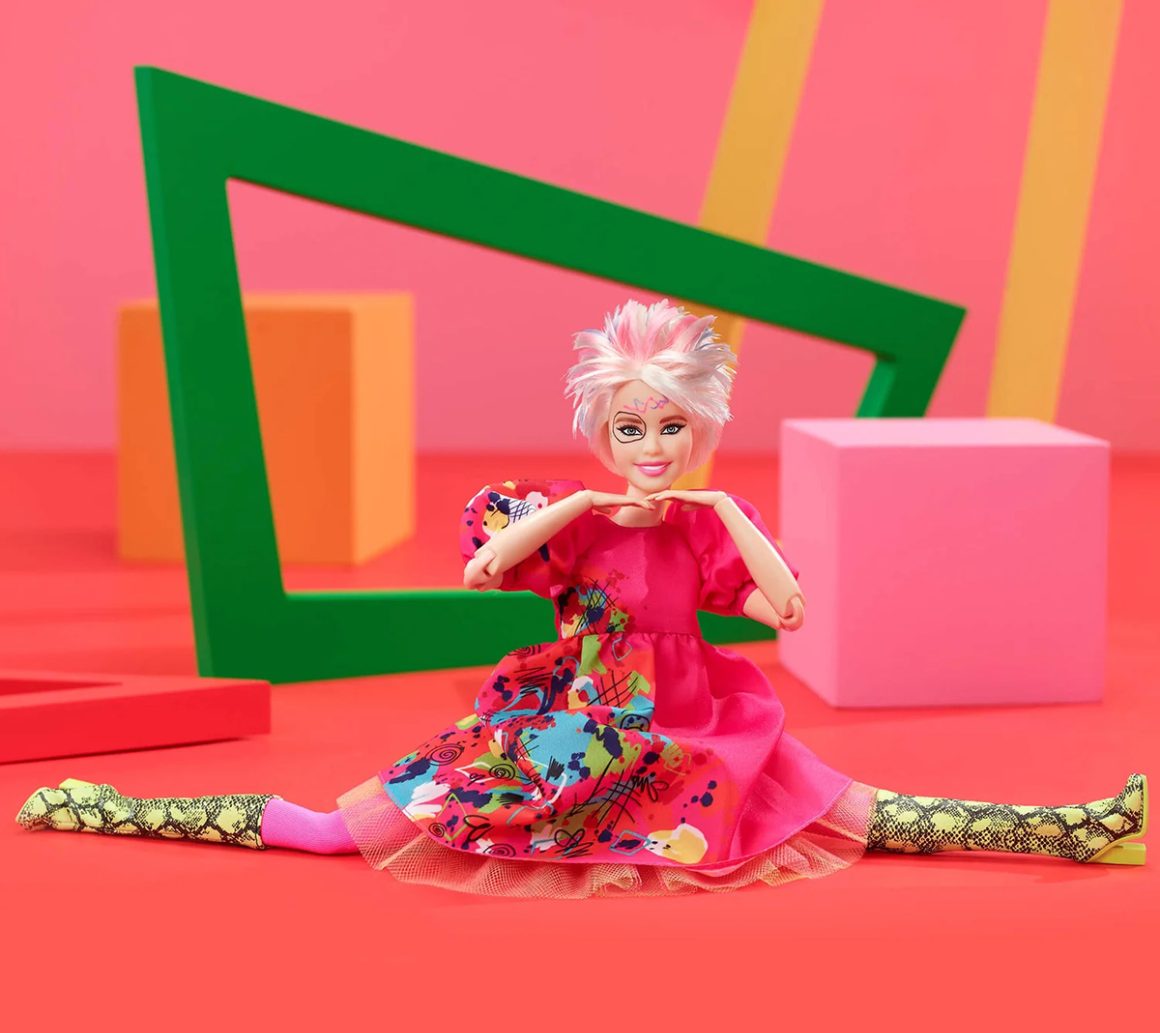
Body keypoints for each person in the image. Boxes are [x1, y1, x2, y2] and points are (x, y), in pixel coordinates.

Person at [15, 299, 1149, 897]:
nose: (651, 446)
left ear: (698, 429)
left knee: (856, 810)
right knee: (333, 831)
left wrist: (723, 506)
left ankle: (1069, 831)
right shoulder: (555, 513)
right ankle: (107, 807)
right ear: (601, 431)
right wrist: (586, 505)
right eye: (630, 427)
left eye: (671, 427)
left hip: (696, 731)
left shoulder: (705, 523)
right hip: (566, 730)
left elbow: (788, 611)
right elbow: (485, 566)